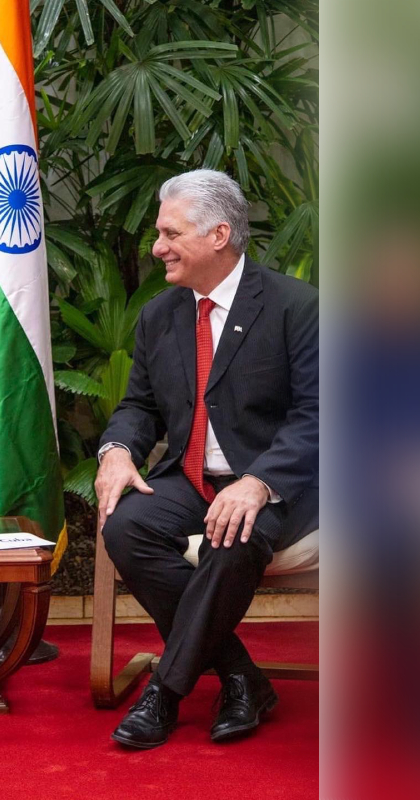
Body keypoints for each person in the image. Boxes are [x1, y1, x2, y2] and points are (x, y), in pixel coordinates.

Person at [95, 170, 318, 749]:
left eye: (170, 233)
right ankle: (240, 676)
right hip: (192, 478)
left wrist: (259, 482)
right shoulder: (159, 315)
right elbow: (139, 406)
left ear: (220, 235)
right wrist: (118, 452)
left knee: (234, 533)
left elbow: (319, 415)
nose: (157, 247)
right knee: (128, 527)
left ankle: (165, 693)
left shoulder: (297, 307)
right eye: (158, 233)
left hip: (278, 486)